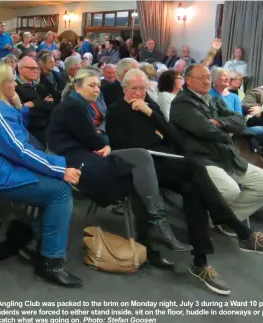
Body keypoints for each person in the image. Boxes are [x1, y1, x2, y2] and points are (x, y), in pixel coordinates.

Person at [104, 68, 263, 294]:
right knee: (196, 170)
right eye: (134, 88)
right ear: (124, 88)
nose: (139, 93)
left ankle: (201, 262)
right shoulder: (115, 111)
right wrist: (155, 136)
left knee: (196, 191)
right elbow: (123, 145)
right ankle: (239, 231)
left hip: (169, 161)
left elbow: (174, 137)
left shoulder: (149, 106)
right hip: (144, 164)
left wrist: (150, 114)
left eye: (143, 88)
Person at [0, 64, 82, 288]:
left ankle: (24, 236)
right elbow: (20, 149)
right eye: (11, 81)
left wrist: (16, 104)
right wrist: (59, 169)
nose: (15, 85)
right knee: (60, 191)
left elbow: (17, 138)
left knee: (56, 183)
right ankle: (50, 262)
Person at [48, 67, 193, 256]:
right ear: (77, 87)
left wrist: (102, 139)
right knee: (139, 171)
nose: (97, 89)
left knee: (141, 158)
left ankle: (156, 225)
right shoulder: (75, 107)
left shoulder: (78, 105)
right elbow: (95, 139)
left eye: (98, 85)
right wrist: (104, 140)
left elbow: (97, 137)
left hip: (87, 155)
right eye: (91, 85)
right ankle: (154, 230)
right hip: (78, 161)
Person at [169, 64, 263, 227]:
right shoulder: (182, 104)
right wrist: (227, 132)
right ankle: (215, 219)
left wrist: (218, 122)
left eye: (208, 77)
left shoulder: (214, 100)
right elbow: (205, 130)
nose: (208, 81)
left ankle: (225, 220)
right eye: (202, 78)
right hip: (202, 157)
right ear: (188, 81)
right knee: (231, 190)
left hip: (226, 155)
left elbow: (240, 121)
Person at [16, 56, 58, 148]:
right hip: (31, 130)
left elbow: (53, 105)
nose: (35, 71)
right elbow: (23, 110)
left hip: (49, 126)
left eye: (36, 68)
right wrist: (43, 103)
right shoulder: (15, 87)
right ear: (21, 69)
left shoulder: (40, 87)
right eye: (31, 68)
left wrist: (34, 103)